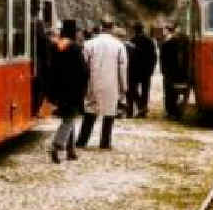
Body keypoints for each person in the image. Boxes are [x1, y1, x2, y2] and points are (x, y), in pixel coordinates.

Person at [77, 17, 127, 149]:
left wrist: (83, 84)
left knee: (90, 112)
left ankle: (82, 141)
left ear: (101, 26)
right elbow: (122, 68)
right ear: (113, 27)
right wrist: (124, 87)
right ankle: (105, 142)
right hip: (111, 83)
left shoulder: (89, 44)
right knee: (109, 113)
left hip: (92, 82)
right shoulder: (119, 45)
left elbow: (83, 66)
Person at [45, 19, 89, 163]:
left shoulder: (55, 46)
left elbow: (50, 69)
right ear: (73, 32)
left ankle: (71, 150)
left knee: (69, 118)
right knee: (69, 119)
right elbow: (83, 71)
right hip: (73, 90)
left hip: (59, 89)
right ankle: (57, 146)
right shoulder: (75, 48)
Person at [160, 23, 190, 119]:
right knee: (179, 92)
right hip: (181, 72)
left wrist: (163, 71)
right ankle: (178, 111)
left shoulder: (166, 43)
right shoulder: (185, 42)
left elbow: (163, 59)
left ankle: (171, 111)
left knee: (169, 93)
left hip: (170, 72)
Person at [129, 22, 158, 118]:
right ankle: (143, 107)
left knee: (133, 89)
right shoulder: (149, 41)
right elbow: (154, 56)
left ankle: (141, 105)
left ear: (135, 30)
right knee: (145, 90)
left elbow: (130, 56)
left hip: (134, 70)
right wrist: (152, 68)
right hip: (146, 70)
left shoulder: (132, 40)